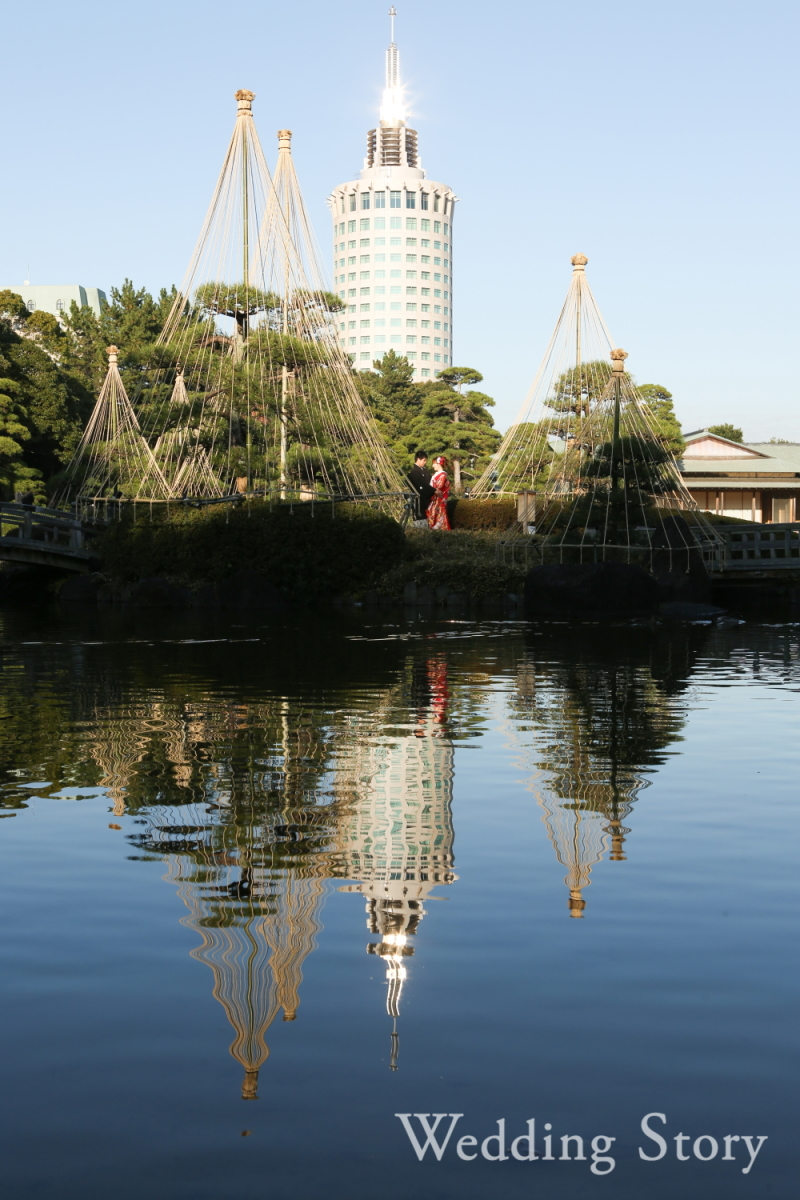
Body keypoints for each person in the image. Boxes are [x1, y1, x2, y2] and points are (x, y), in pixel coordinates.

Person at [426, 456, 451, 530]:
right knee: (433, 517)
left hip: (438, 501)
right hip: (434, 499)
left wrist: (431, 490)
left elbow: (439, 488)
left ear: (439, 464)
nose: (432, 465)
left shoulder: (442, 475)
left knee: (438, 518)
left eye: (434, 464)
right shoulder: (437, 474)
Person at [408, 450, 433, 521]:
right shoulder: (414, 471)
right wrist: (433, 490)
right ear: (418, 459)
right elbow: (422, 484)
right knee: (421, 518)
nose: (425, 462)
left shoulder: (425, 471)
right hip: (419, 499)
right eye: (424, 460)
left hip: (427, 498)